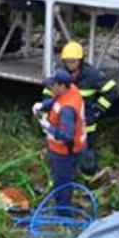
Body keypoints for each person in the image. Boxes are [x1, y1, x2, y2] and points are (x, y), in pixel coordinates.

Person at [44, 41, 119, 176]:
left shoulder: (91, 75)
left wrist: (98, 109)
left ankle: (89, 178)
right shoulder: (60, 73)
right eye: (67, 61)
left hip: (86, 124)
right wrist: (48, 109)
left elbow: (112, 91)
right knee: (62, 151)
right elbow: (48, 92)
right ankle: (66, 176)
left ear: (80, 60)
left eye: (73, 61)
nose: (70, 65)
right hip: (65, 121)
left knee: (86, 152)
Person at [33, 67, 87, 206]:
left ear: (62, 86)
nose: (50, 88)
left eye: (53, 85)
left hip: (65, 152)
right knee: (61, 178)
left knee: (63, 182)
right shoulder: (71, 90)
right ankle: (61, 203)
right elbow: (57, 100)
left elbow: (67, 136)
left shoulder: (67, 110)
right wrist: (43, 105)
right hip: (63, 149)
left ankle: (63, 215)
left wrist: (48, 127)